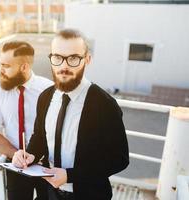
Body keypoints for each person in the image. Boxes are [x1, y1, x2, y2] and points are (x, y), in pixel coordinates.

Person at [12, 29, 129, 200]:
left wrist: (70, 175)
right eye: (58, 58)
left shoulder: (105, 104)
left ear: (87, 60)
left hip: (89, 195)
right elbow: (40, 139)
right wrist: (28, 155)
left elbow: (119, 159)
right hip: (48, 193)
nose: (64, 66)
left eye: (73, 58)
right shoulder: (45, 97)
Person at [0, 41, 53, 200]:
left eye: (6, 65)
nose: (0, 70)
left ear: (24, 67)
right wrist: (15, 155)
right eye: (0, 64)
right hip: (15, 164)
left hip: (48, 163)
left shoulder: (49, 90)